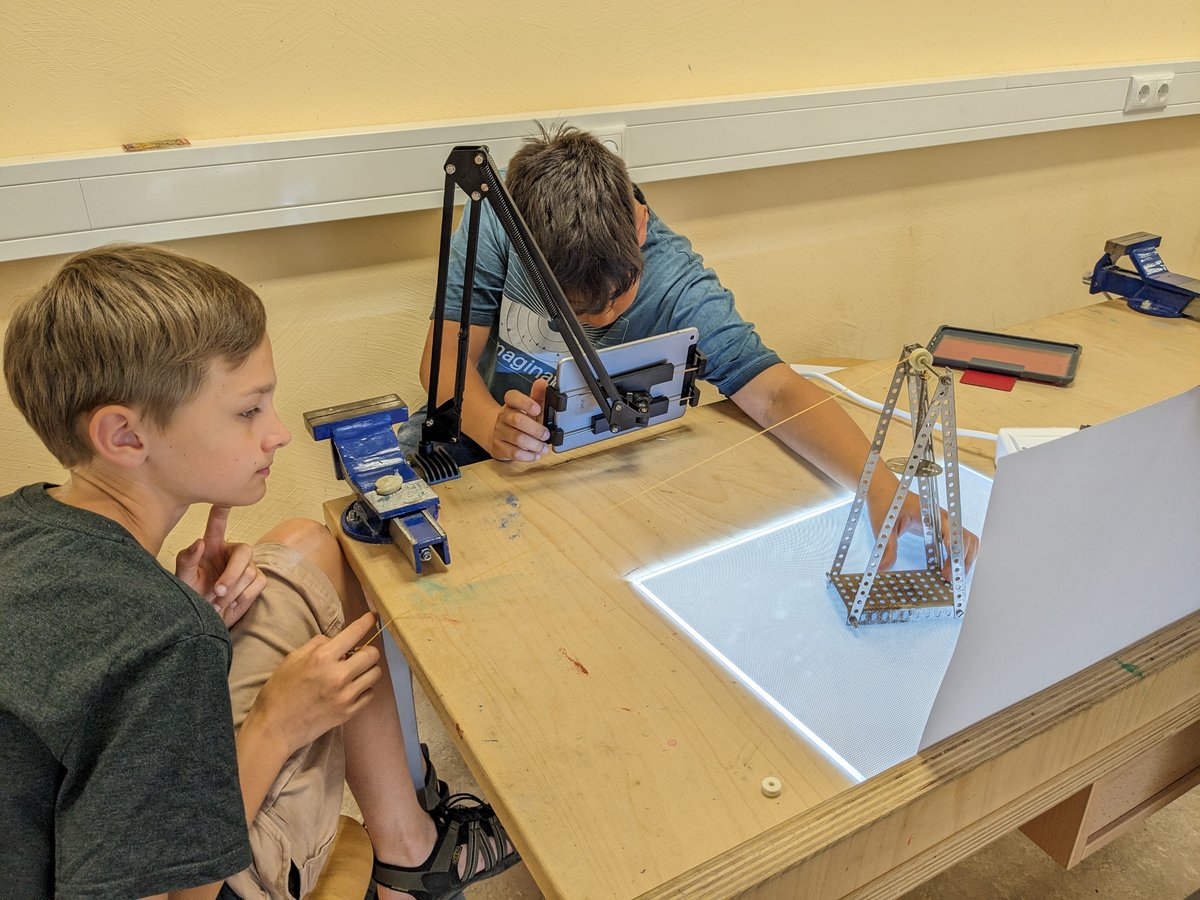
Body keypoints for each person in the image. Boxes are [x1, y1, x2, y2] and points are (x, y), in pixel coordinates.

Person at [0, 245, 519, 899]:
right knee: (311, 669)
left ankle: (410, 859)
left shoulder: (21, 521)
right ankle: (407, 857)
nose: (277, 433)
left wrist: (188, 608)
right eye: (248, 411)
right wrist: (279, 723)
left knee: (310, 546)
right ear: (124, 436)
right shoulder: (163, 638)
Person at [418, 124, 978, 576]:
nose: (599, 320)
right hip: (487, 464)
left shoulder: (677, 282)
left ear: (639, 226)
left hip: (600, 489)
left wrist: (882, 488)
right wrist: (493, 426)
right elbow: (441, 363)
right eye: (577, 313)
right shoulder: (498, 220)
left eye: (617, 302)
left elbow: (776, 393)